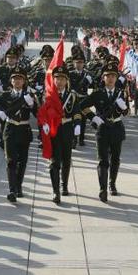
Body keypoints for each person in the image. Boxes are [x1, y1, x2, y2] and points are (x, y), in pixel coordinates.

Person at [0, 67, 36, 202]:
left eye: (20, 79)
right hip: (10, 129)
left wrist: (33, 105)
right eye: (14, 79)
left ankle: (19, 186)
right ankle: (12, 190)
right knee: (11, 161)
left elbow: (38, 114)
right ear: (11, 81)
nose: (17, 81)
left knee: (22, 161)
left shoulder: (29, 95)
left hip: (24, 129)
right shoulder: (6, 95)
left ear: (24, 81)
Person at [79, 62, 129, 203]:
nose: (111, 78)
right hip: (103, 129)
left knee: (115, 159)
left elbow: (126, 112)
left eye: (113, 76)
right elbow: (82, 106)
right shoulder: (98, 93)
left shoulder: (121, 93)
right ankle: (102, 189)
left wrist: (123, 107)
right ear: (103, 77)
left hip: (117, 128)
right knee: (102, 160)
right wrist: (93, 117)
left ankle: (112, 184)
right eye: (108, 76)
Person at [42, 66, 81, 204]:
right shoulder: (48, 95)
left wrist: (77, 124)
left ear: (66, 80)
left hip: (67, 130)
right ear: (53, 79)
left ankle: (64, 184)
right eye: (57, 78)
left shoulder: (72, 95)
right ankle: (55, 191)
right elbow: (43, 113)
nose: (59, 81)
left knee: (66, 159)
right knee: (54, 162)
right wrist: (44, 125)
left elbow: (76, 111)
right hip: (53, 130)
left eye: (62, 79)